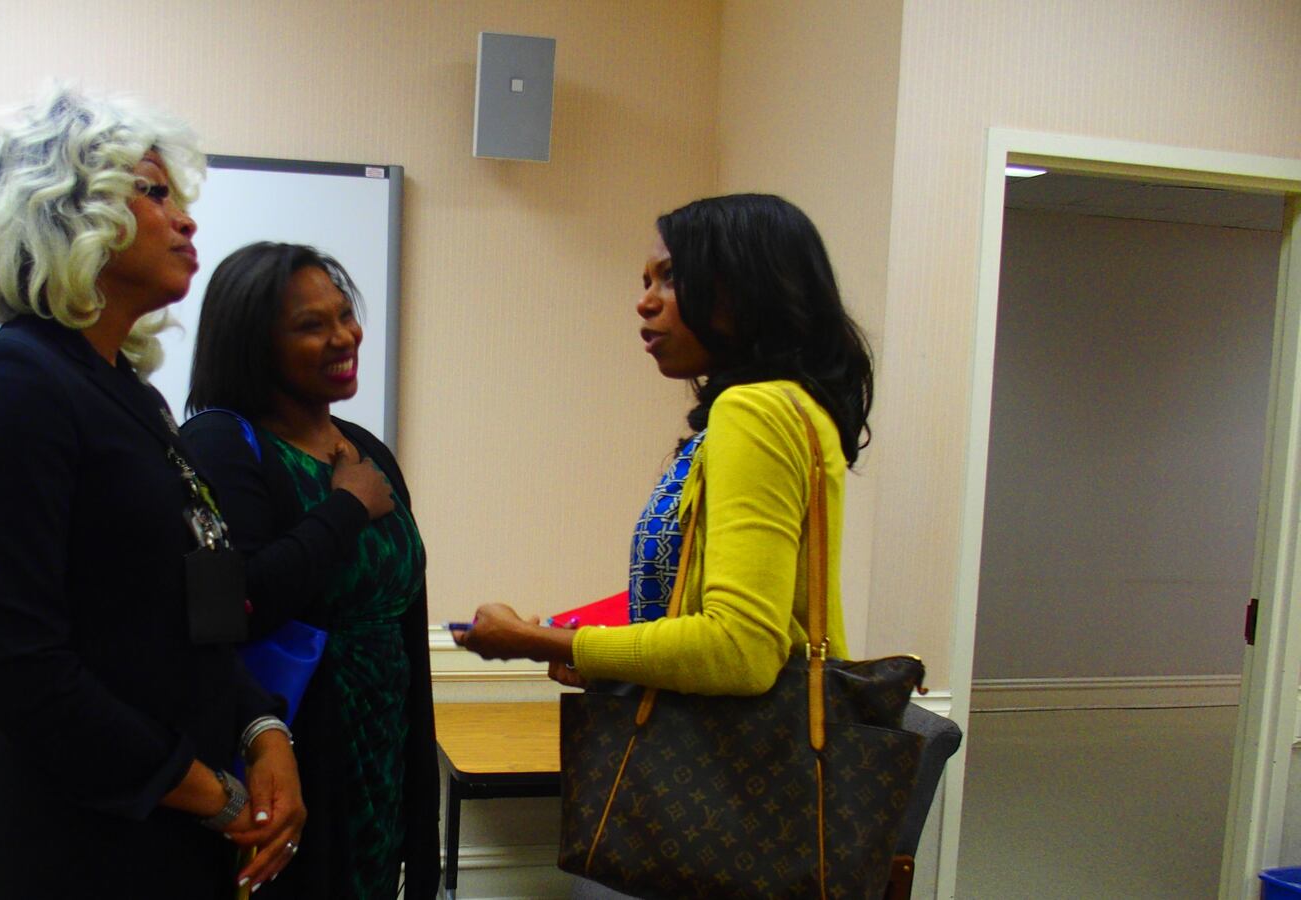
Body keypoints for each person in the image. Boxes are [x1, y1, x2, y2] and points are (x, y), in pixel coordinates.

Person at [0, 86, 304, 898]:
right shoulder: (14, 383)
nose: (186, 222)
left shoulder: (133, 396)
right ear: (67, 212)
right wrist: (216, 796)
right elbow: (24, 671)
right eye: (154, 193)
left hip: (174, 824)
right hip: (73, 845)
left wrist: (263, 731)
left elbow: (199, 620)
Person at [454, 192, 871, 708]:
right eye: (646, 281)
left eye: (671, 277)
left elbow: (739, 650)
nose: (645, 302)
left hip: (739, 751)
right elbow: (691, 605)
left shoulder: (755, 409)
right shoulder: (788, 405)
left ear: (748, 284)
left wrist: (537, 641)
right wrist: (593, 649)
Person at [180, 242, 440, 899]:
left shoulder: (367, 449)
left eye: (345, 314)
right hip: (290, 757)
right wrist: (346, 508)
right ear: (253, 345)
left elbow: (405, 625)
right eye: (311, 325)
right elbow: (237, 604)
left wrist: (420, 819)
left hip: (381, 757)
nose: (343, 337)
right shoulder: (220, 441)